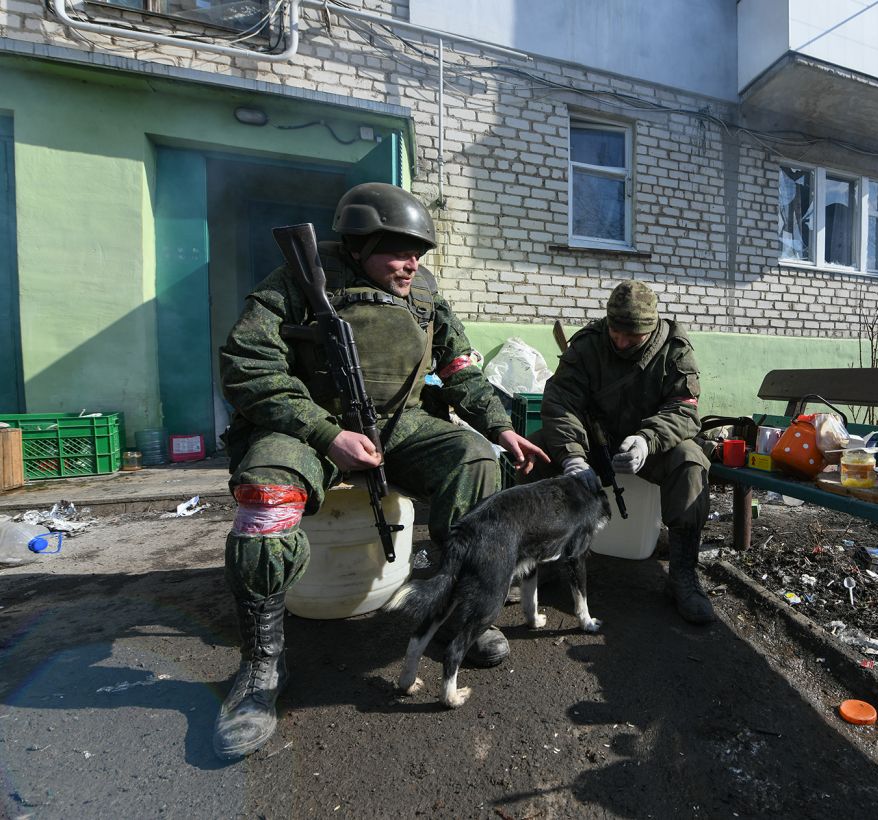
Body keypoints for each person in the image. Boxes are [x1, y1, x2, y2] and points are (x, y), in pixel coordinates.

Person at [213, 182, 547, 759]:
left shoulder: (424, 294)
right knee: (265, 501)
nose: (410, 262)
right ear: (358, 243)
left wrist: (499, 428)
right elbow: (248, 366)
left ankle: (452, 613)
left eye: (417, 251)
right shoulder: (295, 281)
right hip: (308, 425)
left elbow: (461, 367)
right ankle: (261, 667)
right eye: (397, 250)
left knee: (473, 462)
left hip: (398, 424)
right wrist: (326, 433)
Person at [537, 280, 714, 625]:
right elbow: (560, 401)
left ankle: (682, 575)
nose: (620, 342)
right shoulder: (589, 344)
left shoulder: (674, 350)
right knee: (539, 449)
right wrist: (572, 455)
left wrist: (648, 439)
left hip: (650, 445)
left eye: (632, 338)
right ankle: (537, 565)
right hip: (591, 442)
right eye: (615, 333)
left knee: (691, 460)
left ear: (651, 328)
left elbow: (684, 409)